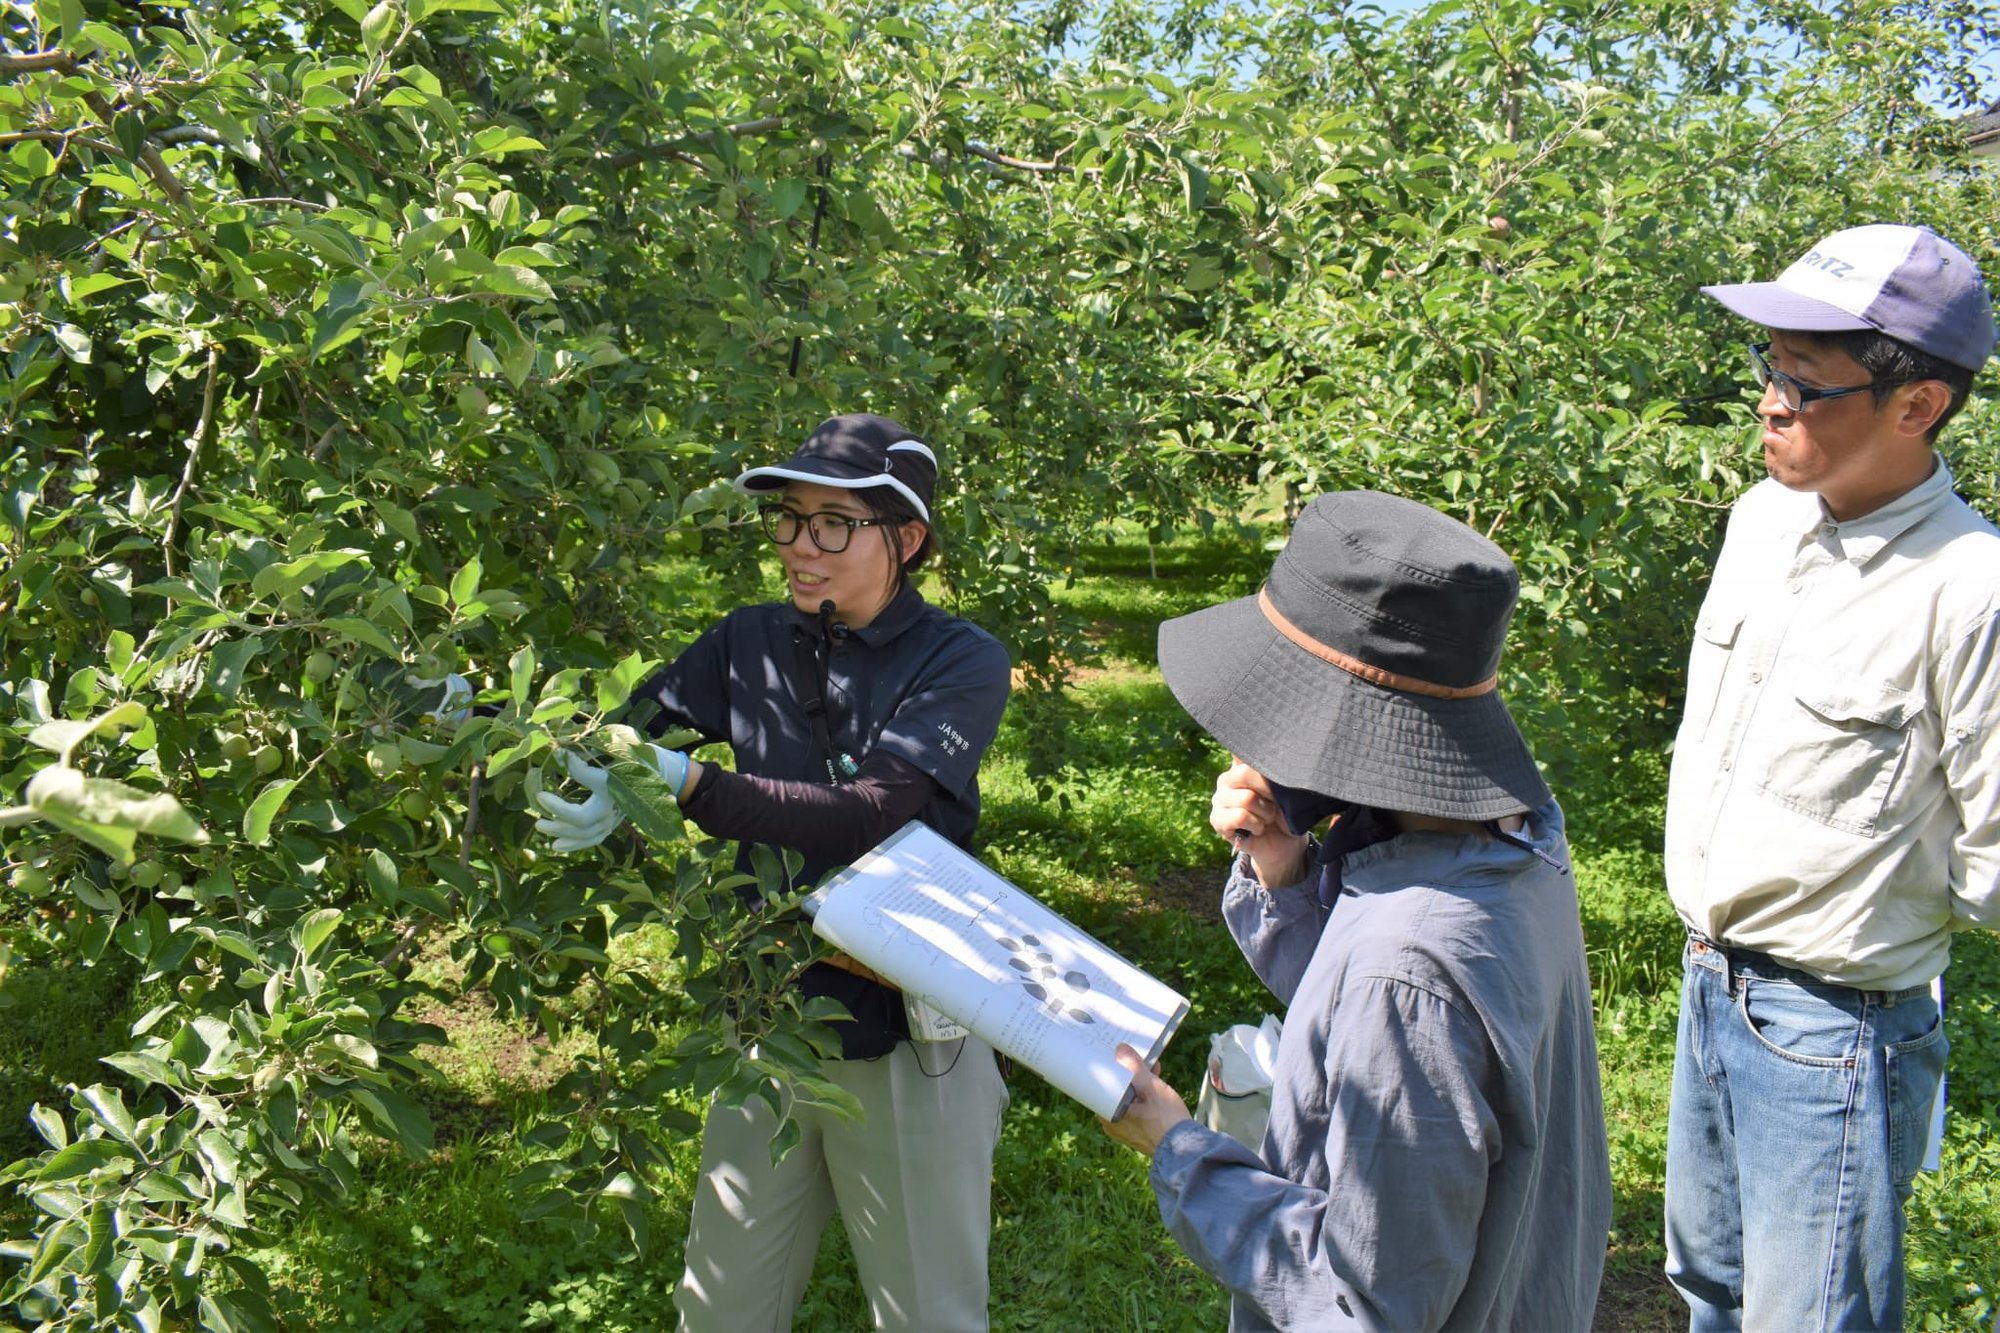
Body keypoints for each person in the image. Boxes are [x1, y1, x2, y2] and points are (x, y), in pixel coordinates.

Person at [533, 414, 1013, 1331]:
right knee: (720, 1307)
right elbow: (629, 723)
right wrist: (491, 714)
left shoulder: (961, 660)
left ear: (905, 539)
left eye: (834, 523)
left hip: (911, 1036)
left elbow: (870, 812)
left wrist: (690, 784)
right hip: (770, 1023)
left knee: (930, 1314)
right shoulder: (748, 642)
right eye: (790, 519)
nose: (801, 546)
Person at [1101, 489, 1612, 1331]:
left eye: (1269, 706)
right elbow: (1385, 1035)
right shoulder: (1518, 837)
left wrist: (1178, 1147)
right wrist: (1287, 874)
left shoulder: (1405, 966)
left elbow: (1361, 1306)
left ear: (1332, 725)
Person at [1664, 224, 1999, 1329]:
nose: (1769, 402)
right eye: (1767, 368)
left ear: (1917, 406)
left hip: (1831, 1030)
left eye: (1806, 386)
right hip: (1708, 985)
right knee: (1706, 1289)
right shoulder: (1760, 522)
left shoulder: (1968, 590)